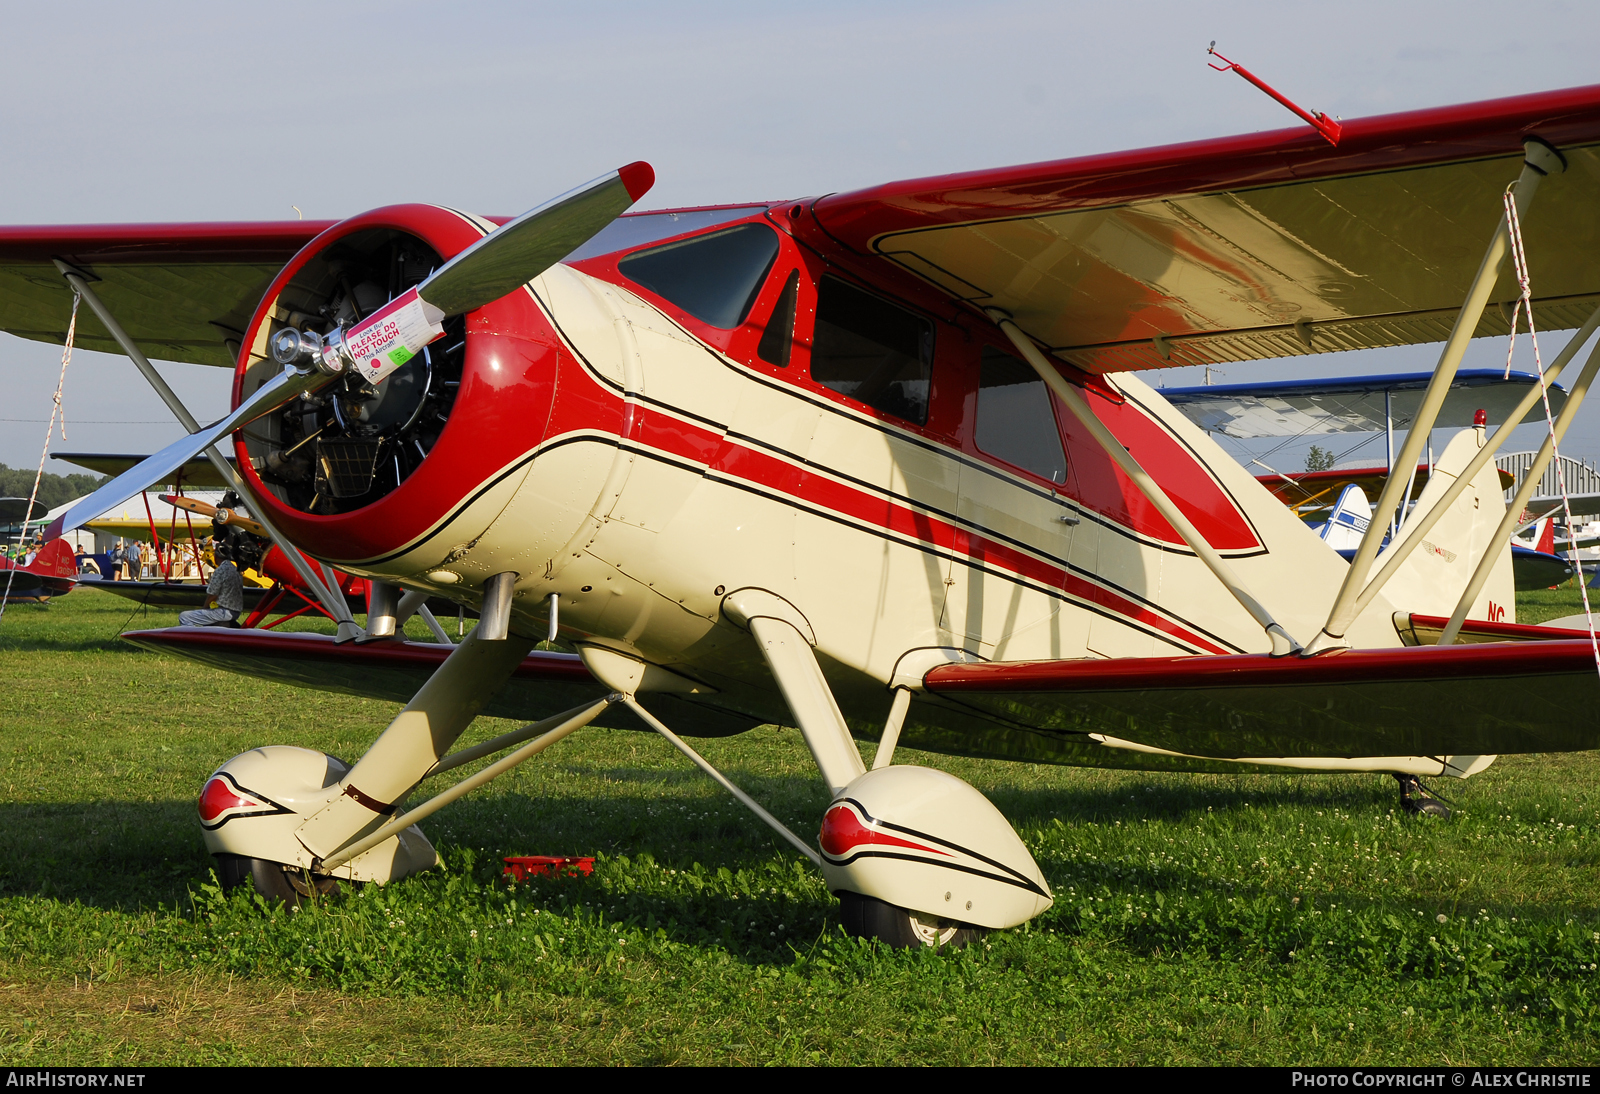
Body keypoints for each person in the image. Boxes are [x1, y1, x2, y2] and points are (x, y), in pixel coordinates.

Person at [179, 558, 243, 627]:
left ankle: (192, 636)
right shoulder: (235, 569)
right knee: (207, 620)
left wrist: (204, 608)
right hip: (235, 612)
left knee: (184, 616)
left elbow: (213, 595)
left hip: (223, 612)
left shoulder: (221, 570)